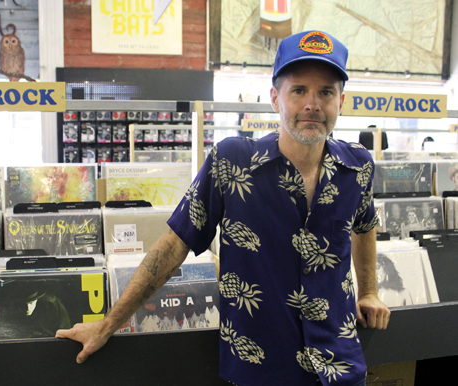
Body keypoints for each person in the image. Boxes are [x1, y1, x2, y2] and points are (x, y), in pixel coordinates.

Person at [56, 30, 390, 386]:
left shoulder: (358, 167)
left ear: (342, 101)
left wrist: (369, 291)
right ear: (276, 98)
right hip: (260, 367)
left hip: (339, 365)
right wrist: (108, 324)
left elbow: (364, 225)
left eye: (326, 92)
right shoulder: (232, 162)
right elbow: (172, 246)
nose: (313, 104)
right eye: (299, 91)